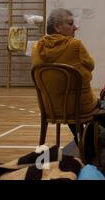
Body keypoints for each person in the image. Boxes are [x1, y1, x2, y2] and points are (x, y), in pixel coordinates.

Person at [32, 8, 98, 160]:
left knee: (69, 105)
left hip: (51, 108)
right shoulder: (75, 45)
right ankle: (92, 148)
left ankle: (84, 145)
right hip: (80, 106)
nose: (75, 27)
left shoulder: (37, 48)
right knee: (103, 106)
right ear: (57, 27)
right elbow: (91, 65)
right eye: (70, 23)